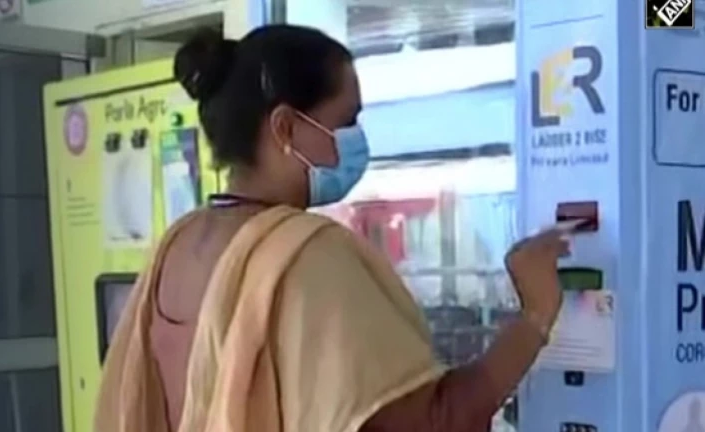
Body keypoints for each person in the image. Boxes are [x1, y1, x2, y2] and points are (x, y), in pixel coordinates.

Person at [94, 24, 571, 432]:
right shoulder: (305, 255)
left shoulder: (176, 245)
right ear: (284, 128)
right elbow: (435, 421)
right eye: (347, 120)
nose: (357, 140)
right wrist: (534, 316)